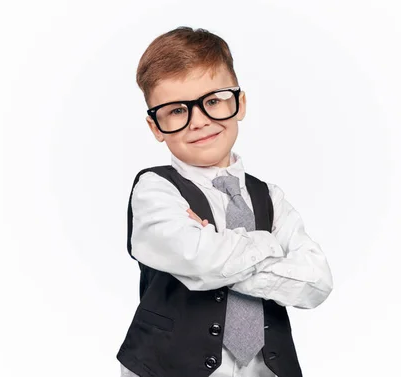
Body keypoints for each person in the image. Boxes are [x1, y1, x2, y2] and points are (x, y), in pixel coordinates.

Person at [116, 26, 333, 377]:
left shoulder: (270, 197)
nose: (199, 121)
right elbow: (198, 258)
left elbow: (316, 282)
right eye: (175, 111)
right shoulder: (155, 190)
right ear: (155, 127)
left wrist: (222, 252)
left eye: (213, 101)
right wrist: (268, 245)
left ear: (240, 103)